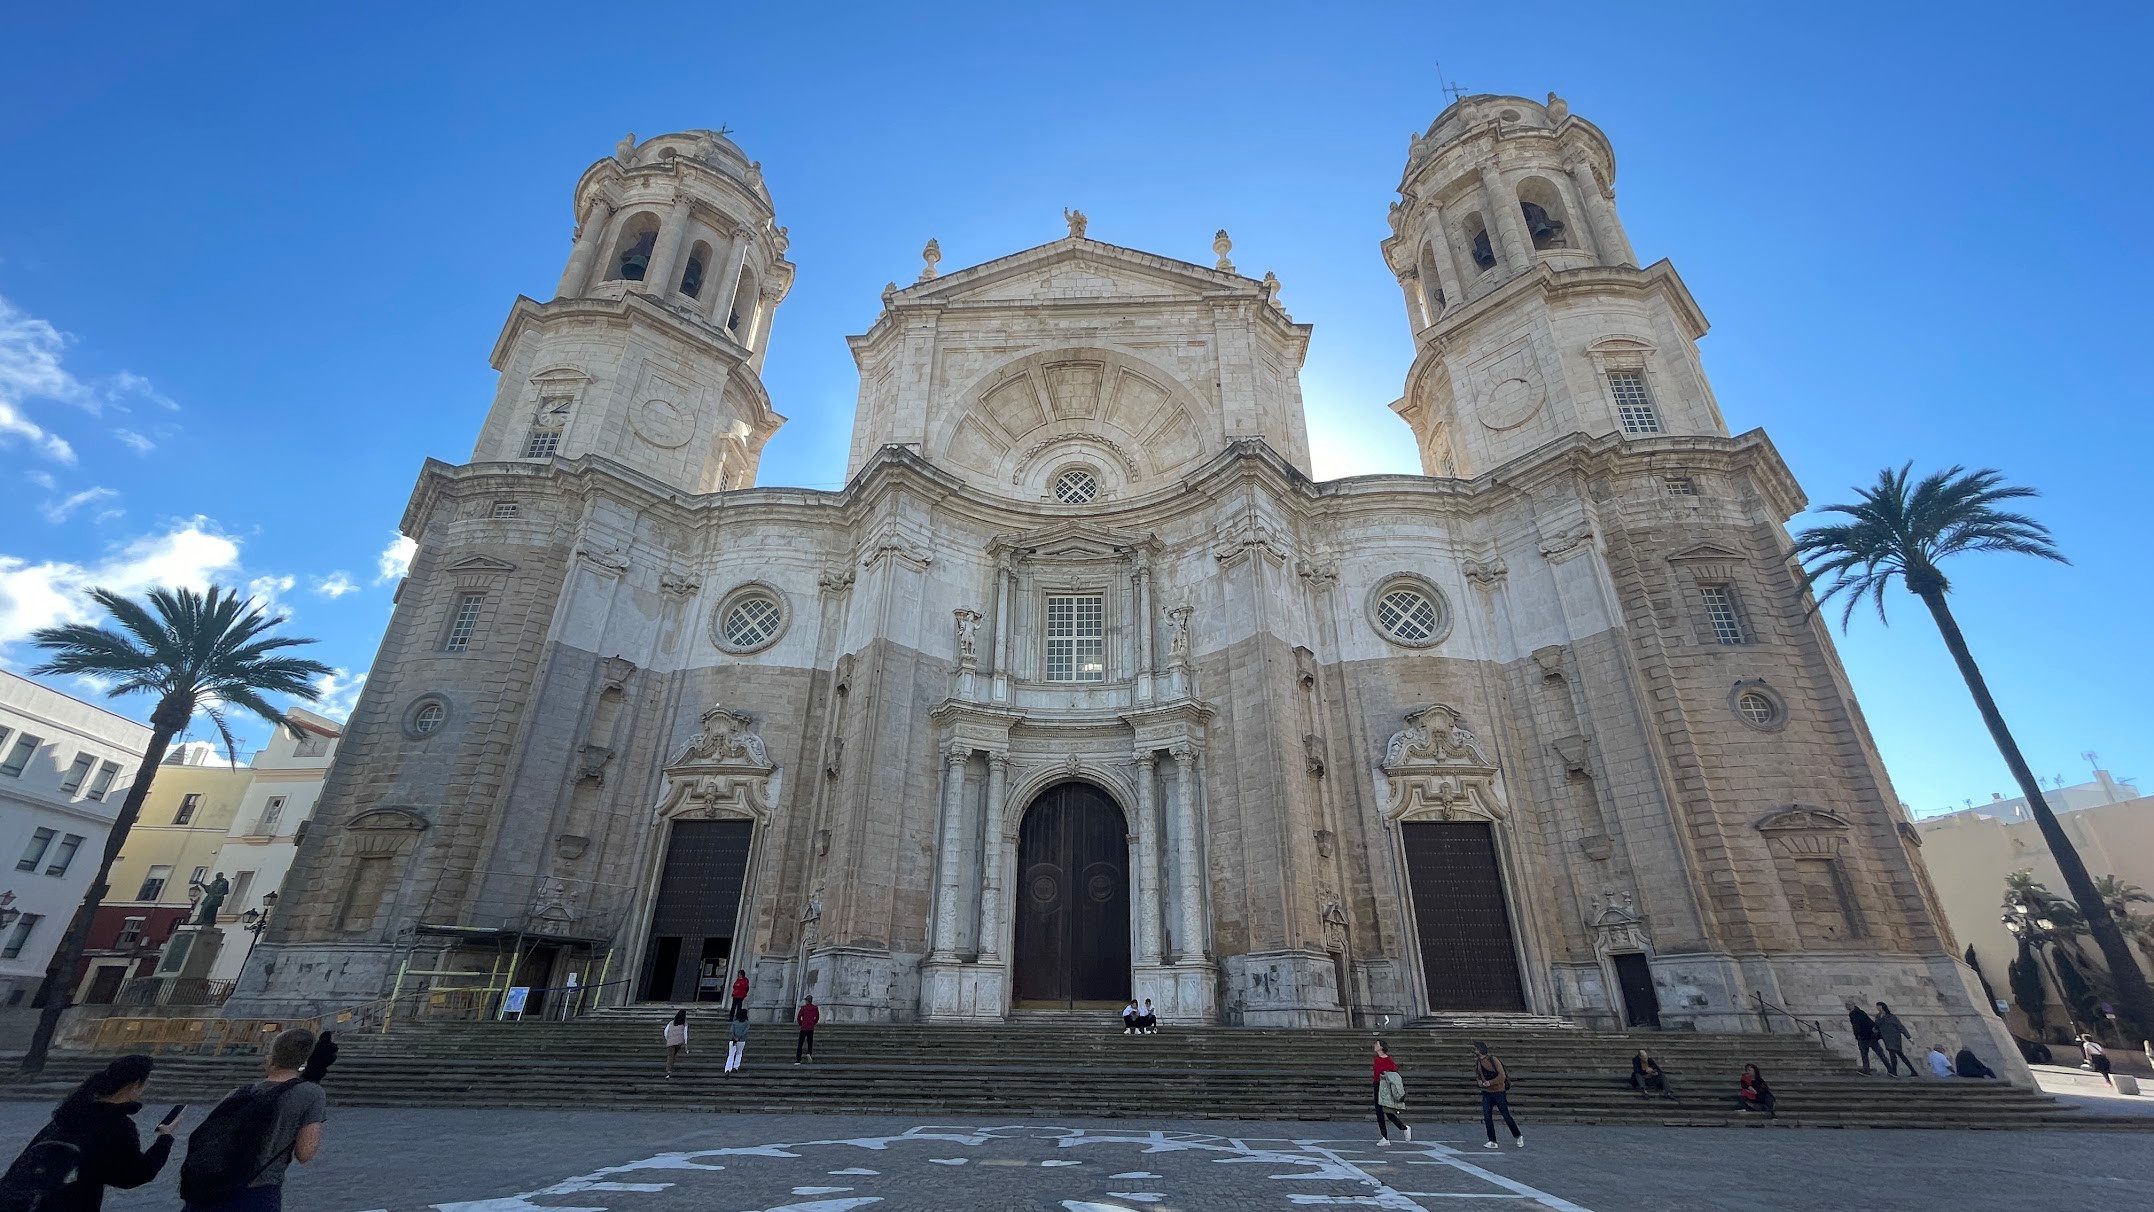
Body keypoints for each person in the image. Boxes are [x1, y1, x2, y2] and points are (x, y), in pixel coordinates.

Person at [181, 1026, 329, 1211]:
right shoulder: (311, 1094)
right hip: (257, 1190)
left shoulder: (239, 1092)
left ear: (272, 1057)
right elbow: (305, 1153)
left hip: (210, 1188)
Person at [2, 1053, 175, 1211]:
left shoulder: (69, 1113)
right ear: (135, 1084)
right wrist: (165, 1139)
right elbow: (131, 1175)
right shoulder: (117, 1124)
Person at [1471, 1041, 1522, 1150]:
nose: (1474, 1051)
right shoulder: (1478, 1063)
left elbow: (1502, 1075)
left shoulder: (1493, 1060)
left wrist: (1490, 1083)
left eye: (1475, 1049)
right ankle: (1492, 1140)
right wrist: (1480, 1082)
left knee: (1506, 1115)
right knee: (1487, 1116)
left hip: (1499, 1092)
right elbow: (1478, 1075)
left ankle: (1518, 1135)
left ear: (1480, 1050)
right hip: (1487, 1093)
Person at [1370, 1041, 1409, 1145]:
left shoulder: (1387, 1060)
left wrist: (1385, 1075)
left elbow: (1394, 1072)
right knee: (1384, 1112)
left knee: (1384, 1111)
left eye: (1377, 1044)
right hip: (1377, 1085)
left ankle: (1387, 1136)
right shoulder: (1377, 1059)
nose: (1375, 1046)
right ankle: (1399, 1129)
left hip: (1384, 1087)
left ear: (1381, 1047)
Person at [1874, 1002, 1913, 1077]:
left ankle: (1894, 1072)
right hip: (1887, 1038)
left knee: (1893, 1054)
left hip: (1894, 1038)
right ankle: (1912, 1070)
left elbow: (1900, 1027)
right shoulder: (1878, 1017)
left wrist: (1909, 1037)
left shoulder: (1891, 1017)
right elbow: (1877, 1026)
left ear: (1882, 1007)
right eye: (1877, 1006)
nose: (1878, 1008)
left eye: (1879, 1006)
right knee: (1900, 1055)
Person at [1847, 1003, 1886, 1075]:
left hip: (1867, 1037)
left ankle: (1890, 1069)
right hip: (1865, 1037)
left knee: (1878, 1053)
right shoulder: (1854, 1014)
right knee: (1867, 1055)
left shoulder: (1858, 1013)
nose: (1846, 1006)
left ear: (1852, 1005)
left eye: (1848, 1005)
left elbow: (1867, 1023)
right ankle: (1867, 1070)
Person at [725, 1005, 750, 1074]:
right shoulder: (746, 1023)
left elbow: (731, 1030)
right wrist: (739, 1037)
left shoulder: (735, 1022)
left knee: (731, 1055)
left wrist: (735, 1037)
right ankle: (735, 1067)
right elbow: (745, 1031)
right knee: (739, 1053)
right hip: (741, 1040)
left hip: (733, 1039)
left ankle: (727, 1068)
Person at [663, 1010, 689, 1078]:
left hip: (670, 1041)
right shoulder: (684, 1023)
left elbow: (666, 1031)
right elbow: (685, 1034)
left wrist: (667, 1038)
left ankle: (668, 1069)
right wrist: (686, 1044)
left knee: (670, 1056)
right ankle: (670, 1068)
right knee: (673, 1055)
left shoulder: (671, 1022)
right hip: (679, 1042)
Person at [795, 995, 820, 1065]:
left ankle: (798, 1059)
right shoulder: (815, 1008)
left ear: (806, 1001)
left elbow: (799, 1017)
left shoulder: (803, 1008)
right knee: (810, 1042)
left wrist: (801, 1023)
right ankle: (809, 1053)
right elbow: (817, 1017)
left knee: (800, 1044)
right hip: (810, 1028)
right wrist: (813, 1023)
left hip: (803, 1027)